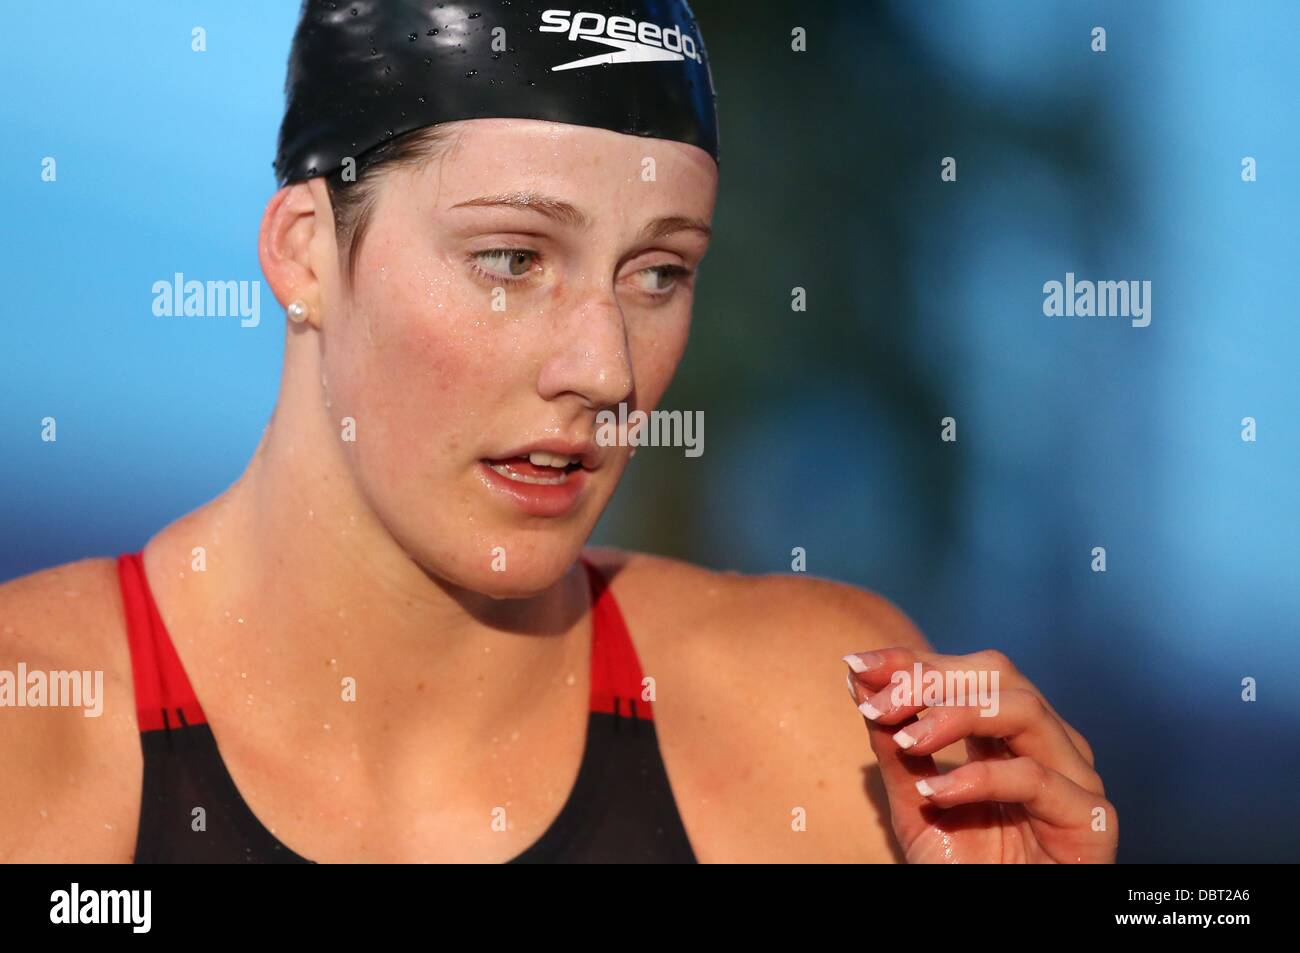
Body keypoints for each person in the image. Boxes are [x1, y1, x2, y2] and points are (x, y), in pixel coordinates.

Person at [0, 0, 1115, 863]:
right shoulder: (30, 737)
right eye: (511, 259)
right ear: (303, 250)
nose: (606, 366)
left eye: (658, 272)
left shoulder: (819, 728)